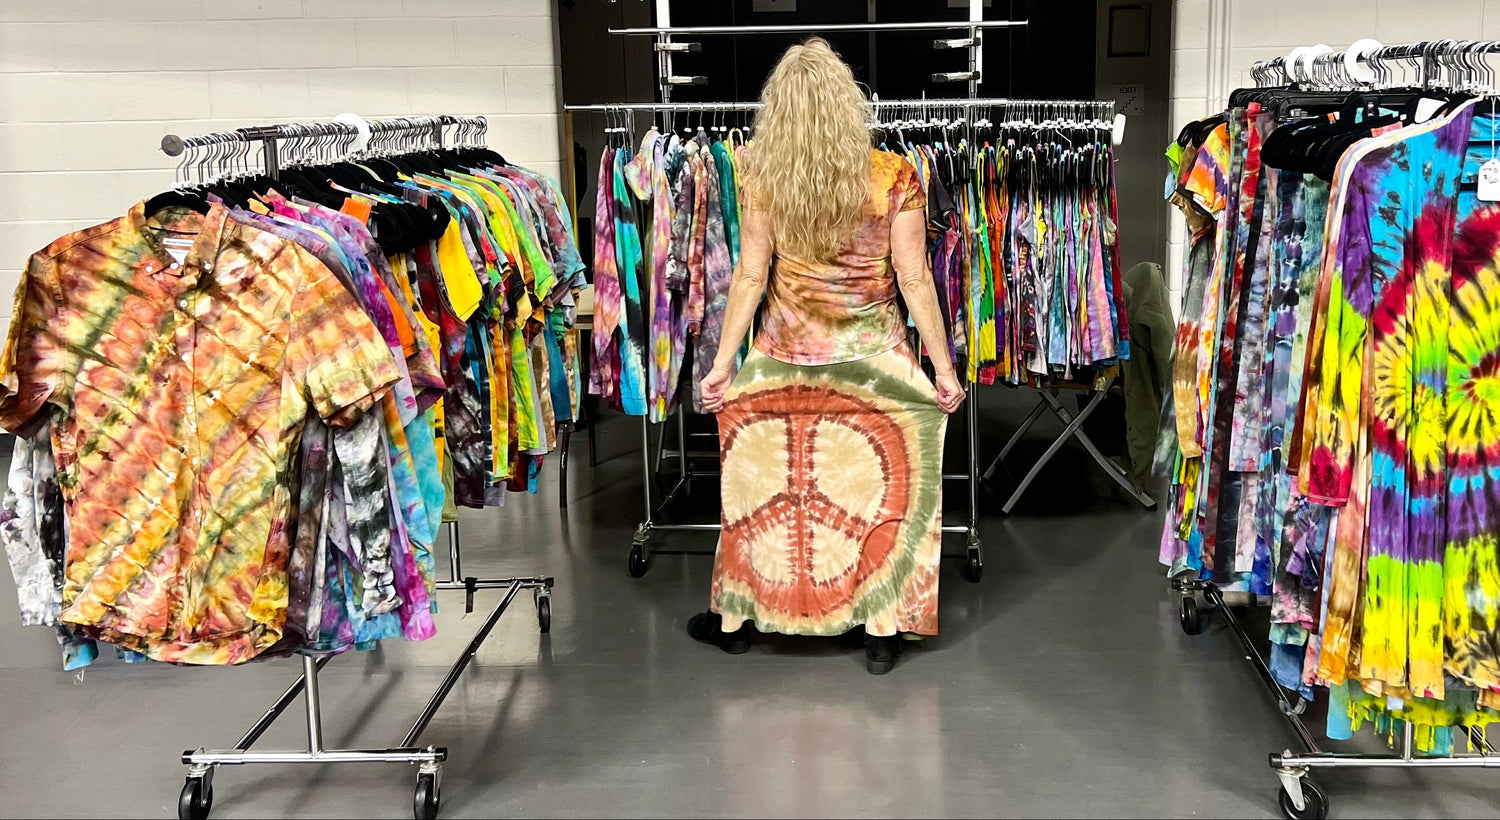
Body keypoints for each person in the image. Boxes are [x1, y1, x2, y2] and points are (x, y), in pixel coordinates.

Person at [686, 37, 965, 675]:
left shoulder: (760, 174)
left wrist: (725, 364)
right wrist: (942, 372)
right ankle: (882, 628)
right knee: (879, 491)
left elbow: (750, 279)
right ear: (848, 106)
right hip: (873, 364)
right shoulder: (895, 175)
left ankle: (734, 621)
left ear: (778, 112)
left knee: (755, 486)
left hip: (783, 358)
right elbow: (914, 278)